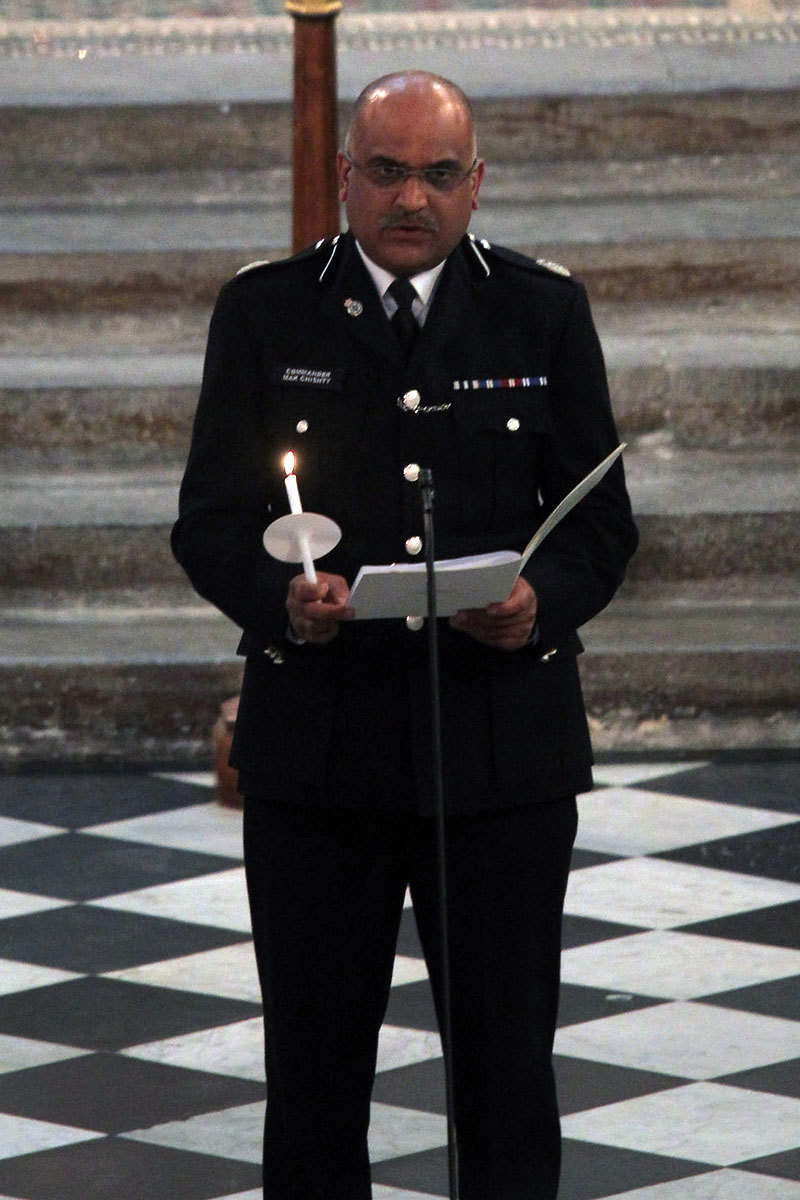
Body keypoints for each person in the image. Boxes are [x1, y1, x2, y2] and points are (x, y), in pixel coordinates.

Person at [172, 70, 638, 1200]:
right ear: (344, 178)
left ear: (475, 184)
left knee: (505, 1077)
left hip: (498, 753)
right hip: (319, 755)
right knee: (316, 1076)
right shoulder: (265, 311)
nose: (410, 199)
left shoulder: (540, 312)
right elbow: (209, 525)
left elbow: (599, 530)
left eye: (438, 174)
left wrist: (537, 608)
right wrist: (279, 599)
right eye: (385, 171)